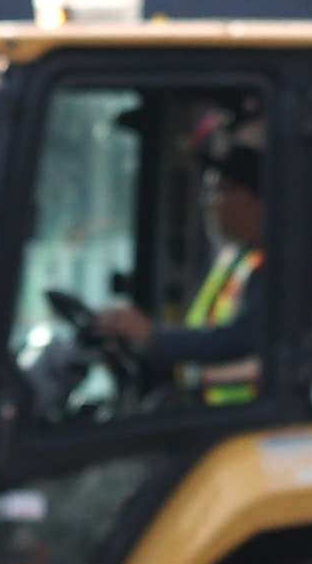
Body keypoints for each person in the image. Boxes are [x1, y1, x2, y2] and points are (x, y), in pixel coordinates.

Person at [94, 131, 268, 401]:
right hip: (208, 406)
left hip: (237, 418)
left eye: (217, 190)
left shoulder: (274, 270)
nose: (209, 203)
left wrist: (153, 336)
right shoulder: (237, 260)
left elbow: (239, 340)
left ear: (247, 197)